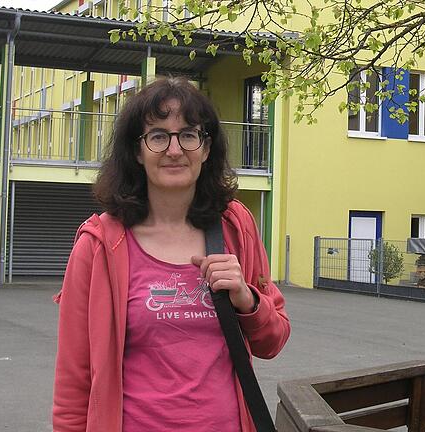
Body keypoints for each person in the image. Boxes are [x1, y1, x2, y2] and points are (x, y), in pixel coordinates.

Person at [52, 77, 291, 432]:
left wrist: (247, 299)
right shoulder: (99, 245)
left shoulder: (235, 227)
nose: (175, 150)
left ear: (206, 148)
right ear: (137, 150)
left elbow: (273, 341)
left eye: (189, 134)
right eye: (158, 136)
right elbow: (74, 378)